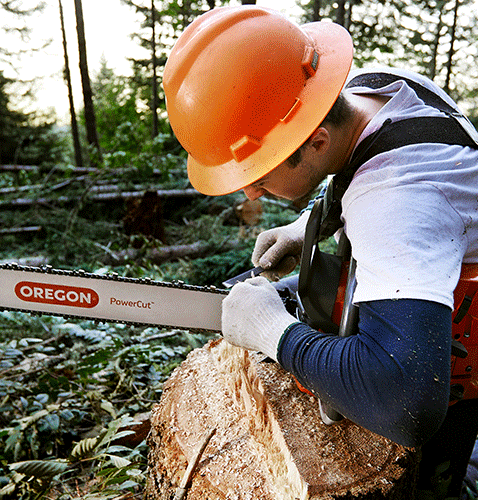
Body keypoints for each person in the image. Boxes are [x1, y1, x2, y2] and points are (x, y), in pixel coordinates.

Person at [162, 5, 478, 499]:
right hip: (438, 268)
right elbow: (368, 161)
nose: (250, 194)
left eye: (259, 174)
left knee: (438, 481)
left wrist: (275, 334)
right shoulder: (381, 90)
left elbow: (407, 402)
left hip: (457, 358)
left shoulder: (398, 203)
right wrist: (310, 221)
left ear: (316, 138)